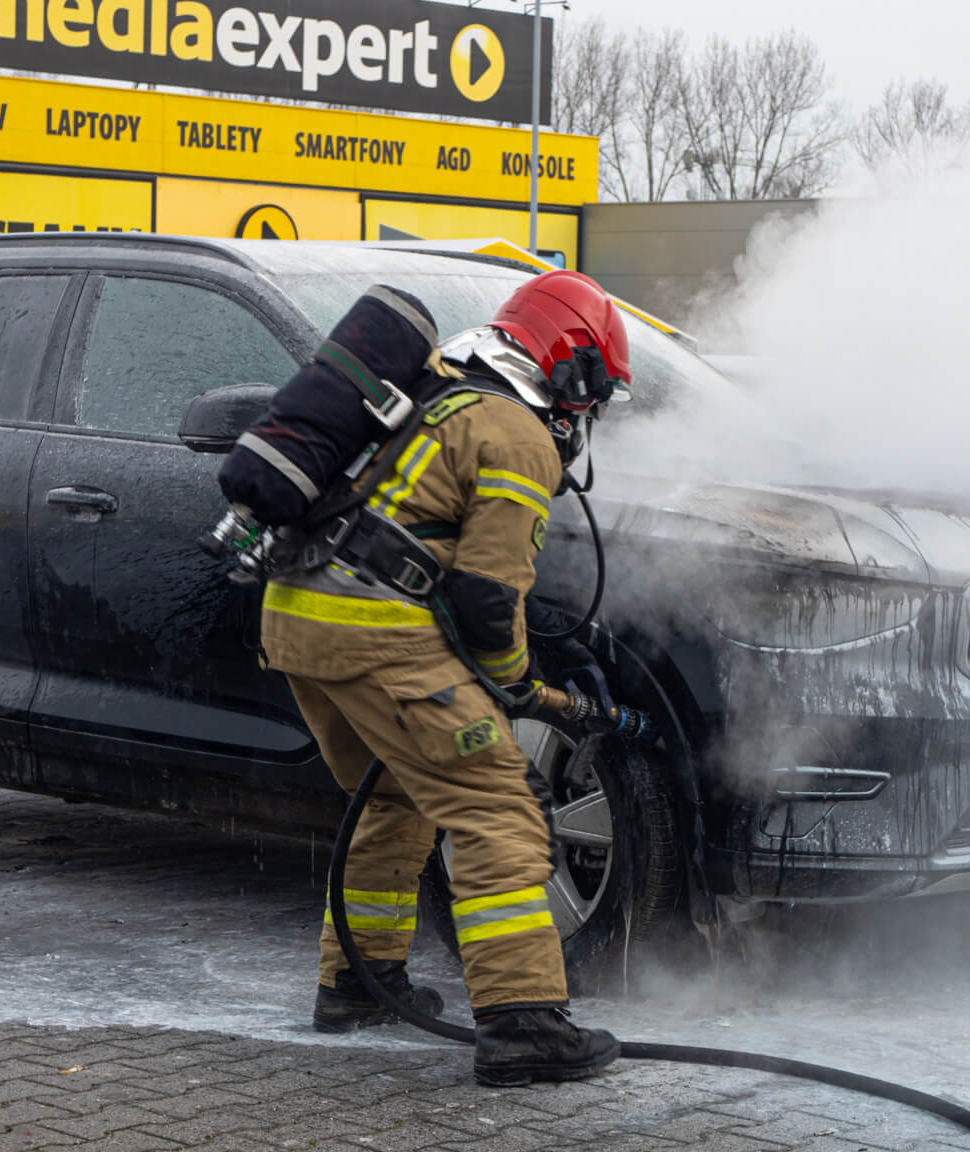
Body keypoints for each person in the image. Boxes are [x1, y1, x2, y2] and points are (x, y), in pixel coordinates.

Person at [257, 271, 630, 1087]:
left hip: (297, 617)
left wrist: (508, 680)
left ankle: (357, 982)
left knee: (394, 797)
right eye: (592, 394)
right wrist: (517, 689)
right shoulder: (519, 437)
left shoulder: (440, 396)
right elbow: (489, 597)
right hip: (376, 633)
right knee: (496, 807)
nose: (586, 416)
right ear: (570, 376)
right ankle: (524, 1023)